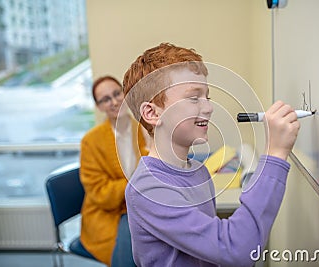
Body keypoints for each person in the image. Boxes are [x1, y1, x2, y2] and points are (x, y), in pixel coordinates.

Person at [120, 43, 300, 266]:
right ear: (152, 113)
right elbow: (236, 249)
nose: (208, 107)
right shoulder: (147, 190)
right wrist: (275, 153)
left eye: (208, 97)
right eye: (194, 98)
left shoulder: (199, 171)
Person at [79, 75, 148, 266]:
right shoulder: (91, 142)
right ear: (99, 107)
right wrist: (133, 184)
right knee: (136, 252)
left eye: (117, 94)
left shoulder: (141, 129)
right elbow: (99, 194)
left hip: (139, 207)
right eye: (105, 99)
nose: (114, 102)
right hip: (109, 214)